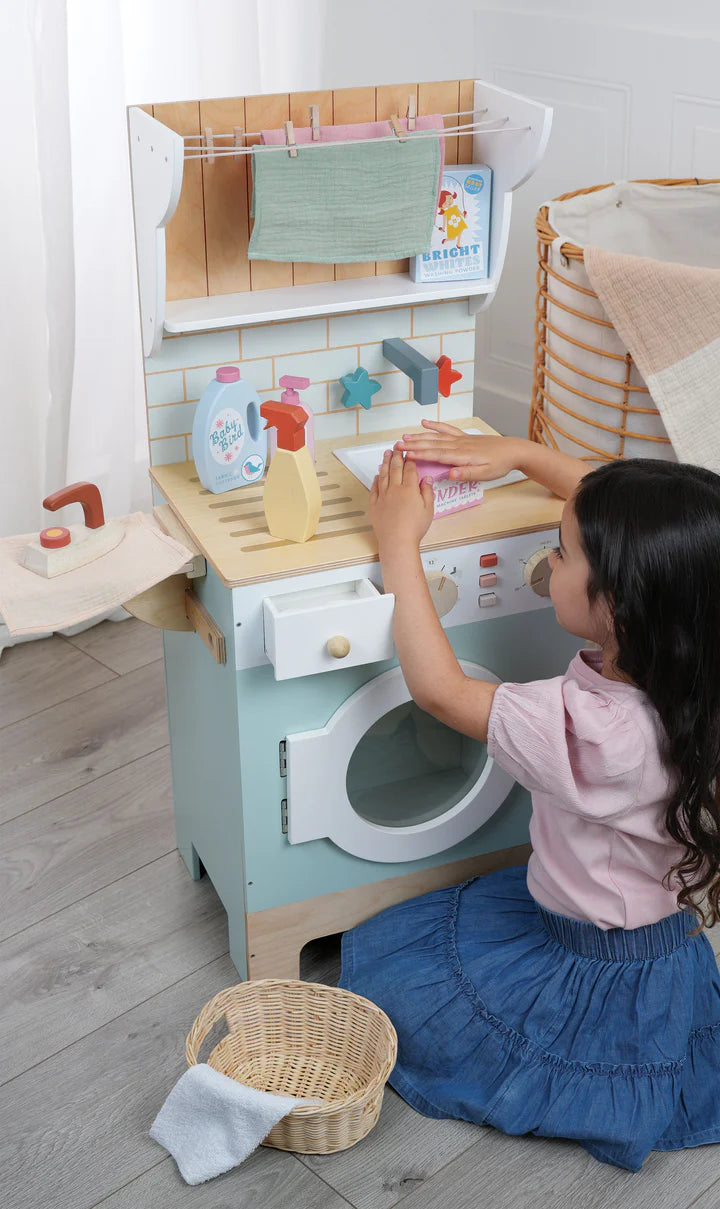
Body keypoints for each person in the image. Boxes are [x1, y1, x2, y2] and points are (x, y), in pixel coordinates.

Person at [339, 420, 720, 1171]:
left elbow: (441, 692)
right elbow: (642, 533)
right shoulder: (694, 665)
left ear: (620, 606)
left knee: (407, 987)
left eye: (563, 552)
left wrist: (398, 543)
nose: (550, 558)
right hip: (661, 946)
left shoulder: (599, 733)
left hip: (592, 966)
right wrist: (518, 455)